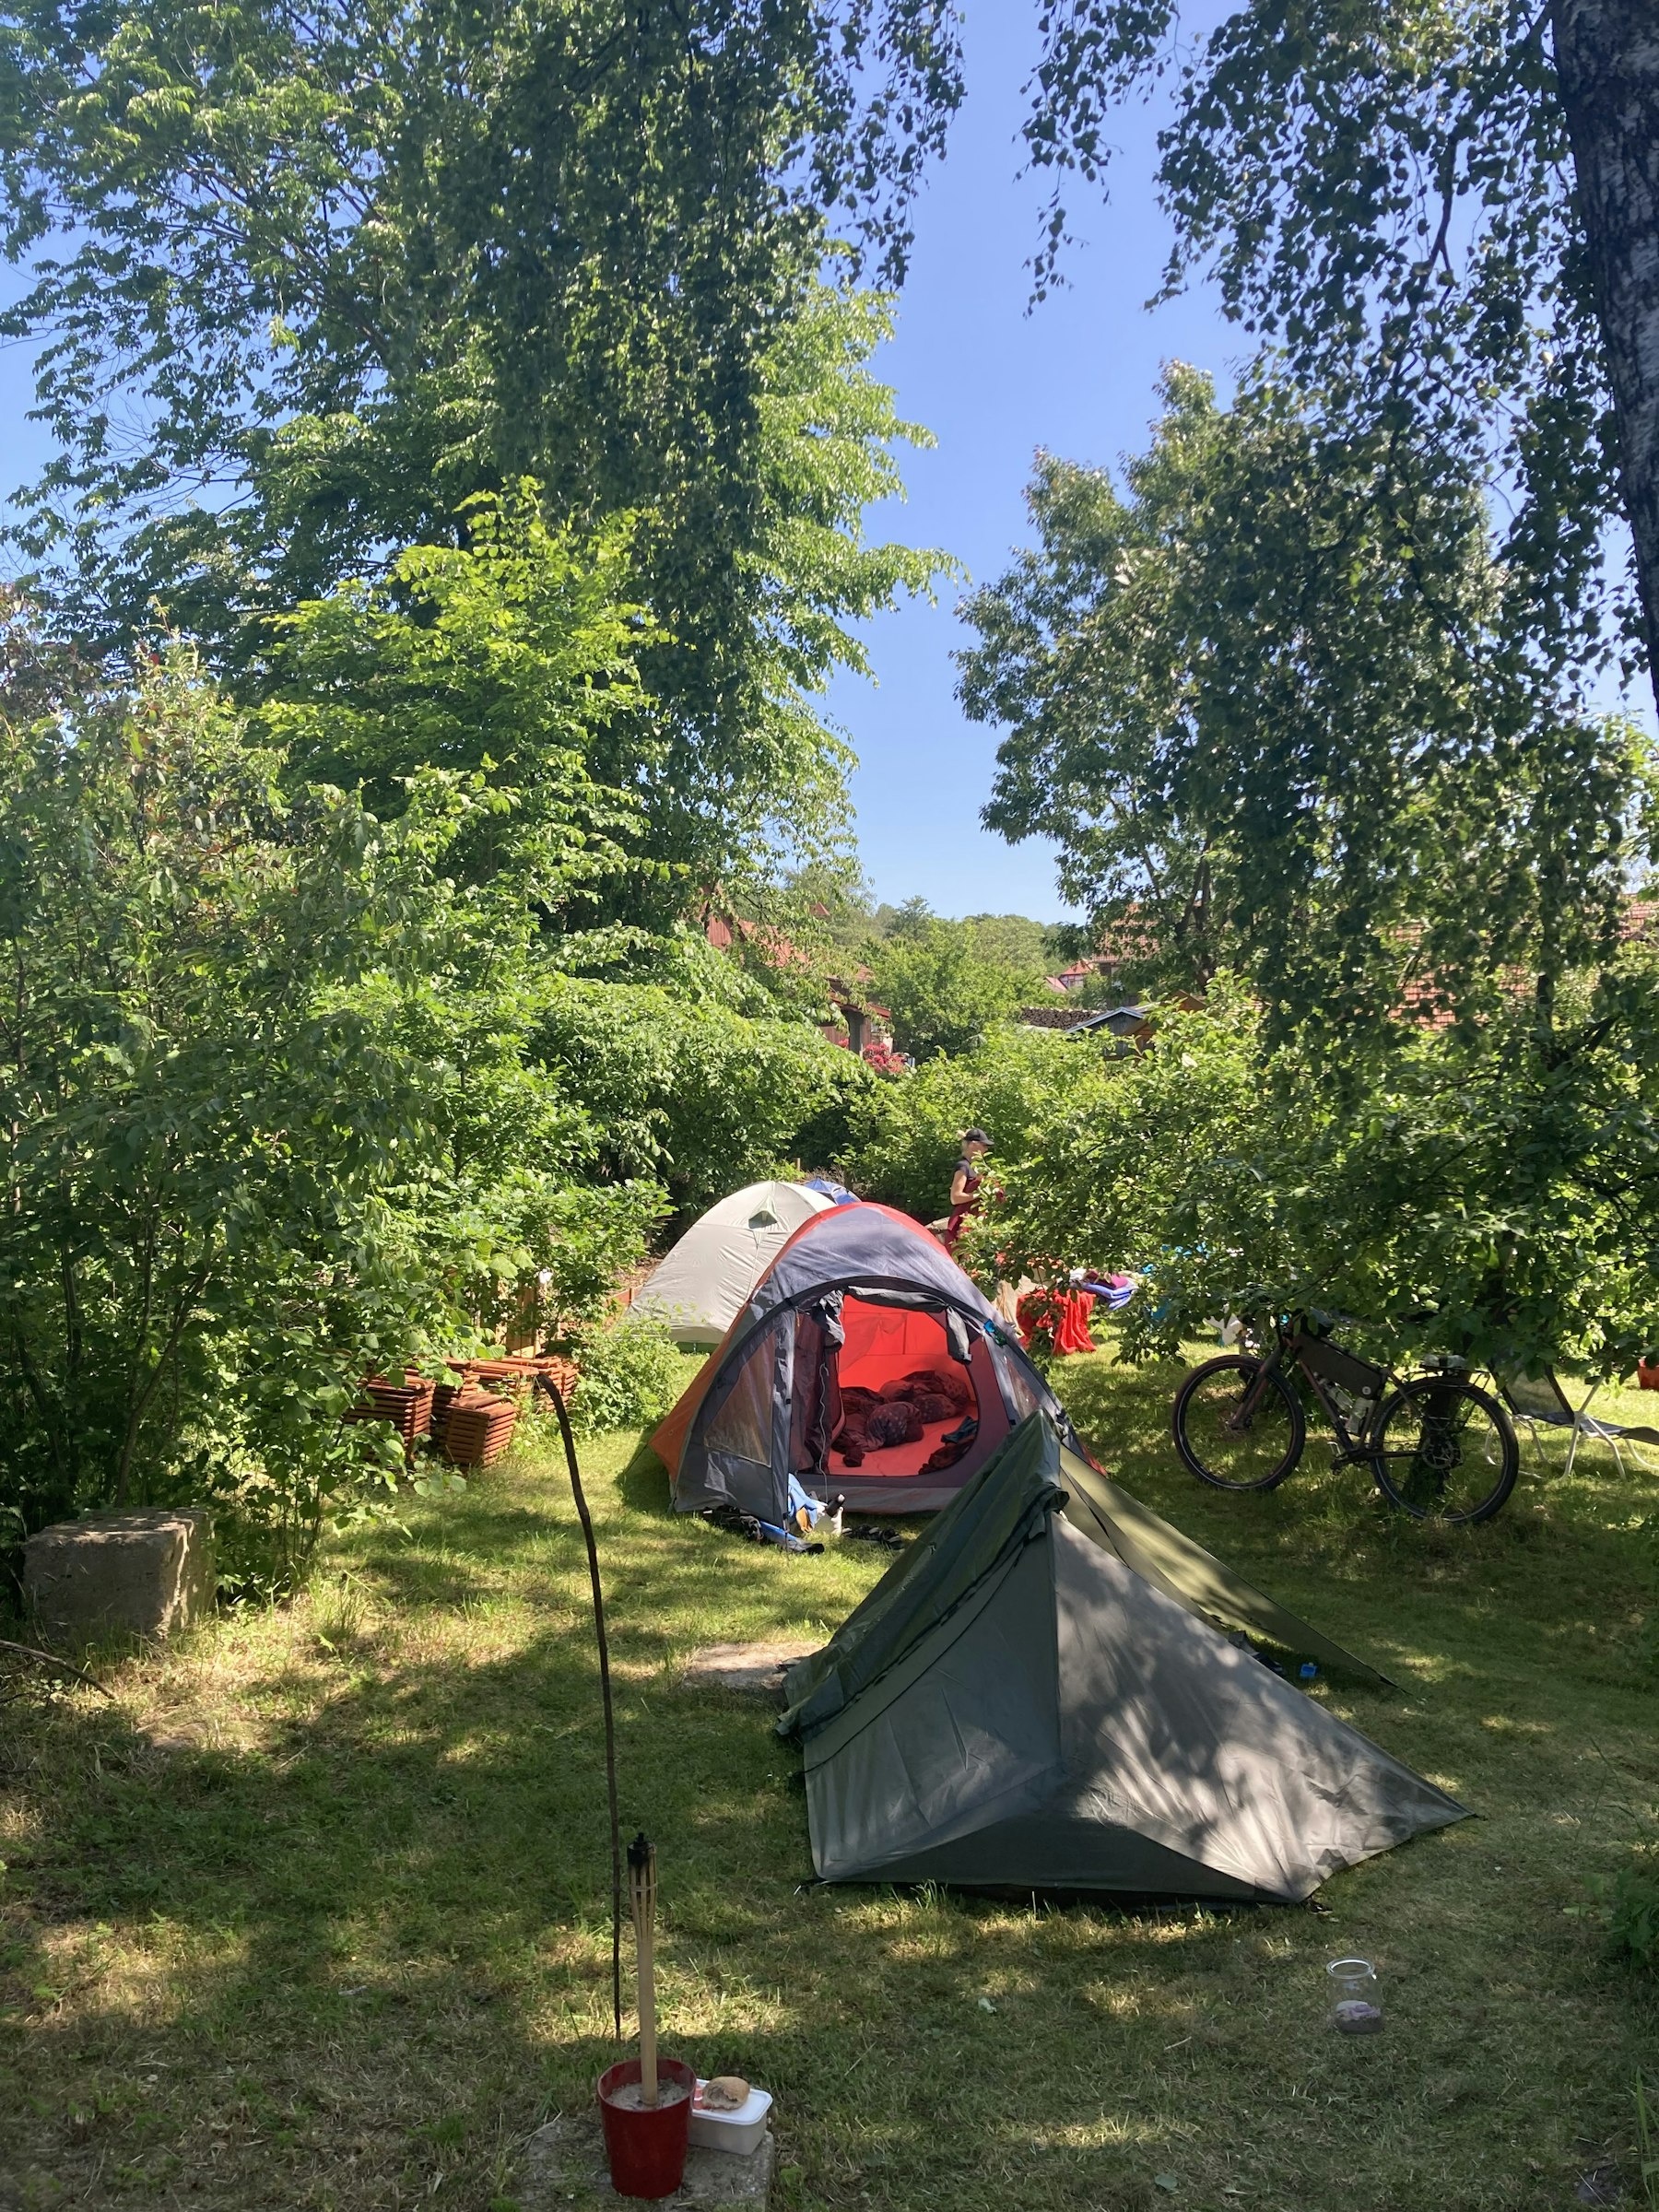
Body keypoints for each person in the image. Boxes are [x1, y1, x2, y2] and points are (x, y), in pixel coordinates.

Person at [945, 1129, 991, 1250]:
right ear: (973, 1145)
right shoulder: (963, 1166)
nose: (986, 1149)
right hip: (964, 1222)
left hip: (978, 1220)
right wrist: (980, 1194)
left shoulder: (979, 1168)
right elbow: (955, 1197)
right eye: (984, 1145)